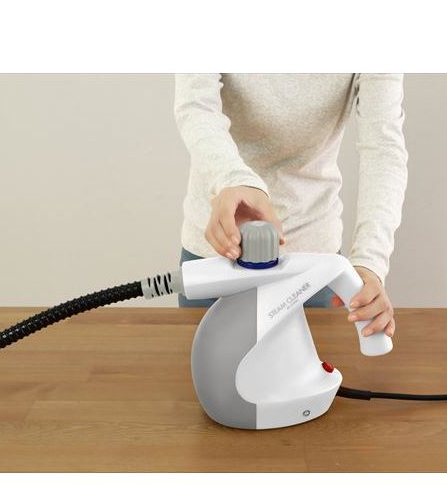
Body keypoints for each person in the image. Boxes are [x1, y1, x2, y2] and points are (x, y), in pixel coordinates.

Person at [173, 74, 408, 339]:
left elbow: (383, 148)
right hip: (217, 253)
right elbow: (196, 106)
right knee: (205, 366)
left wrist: (369, 262)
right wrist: (235, 180)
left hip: (313, 268)